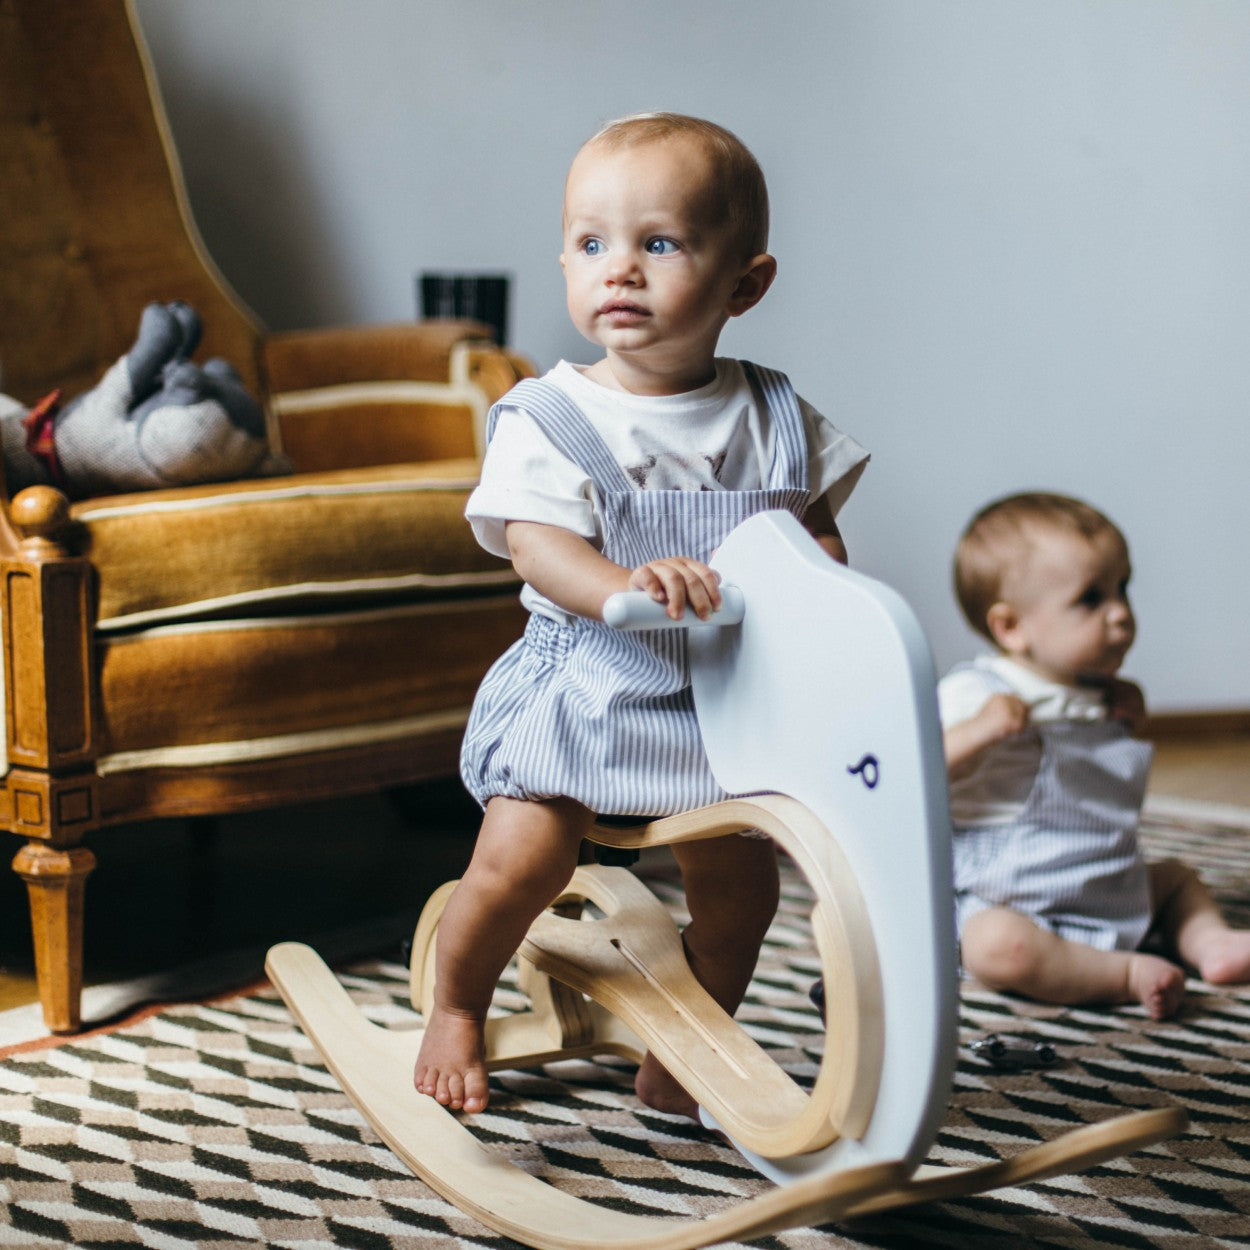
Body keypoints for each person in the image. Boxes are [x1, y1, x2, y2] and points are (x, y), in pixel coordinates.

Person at [413, 112, 869, 1115]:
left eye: (658, 243)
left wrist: (818, 589)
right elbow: (537, 547)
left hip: (725, 701)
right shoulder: (552, 414)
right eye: (590, 244)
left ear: (744, 284)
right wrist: (623, 581)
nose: (617, 267)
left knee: (743, 898)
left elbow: (818, 538)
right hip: (588, 684)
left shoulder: (775, 416)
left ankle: (685, 1047)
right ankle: (456, 1001)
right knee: (521, 856)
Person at [941, 491, 1250, 1020]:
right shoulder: (977, 692)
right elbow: (917, 771)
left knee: (1175, 878)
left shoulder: (1099, 692)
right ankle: (1123, 974)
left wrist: (1129, 714)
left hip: (1107, 883)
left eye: (1122, 587)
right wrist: (979, 732)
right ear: (1011, 627)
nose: (1121, 614)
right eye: (1091, 598)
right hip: (1016, 902)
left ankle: (1212, 943)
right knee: (993, 946)